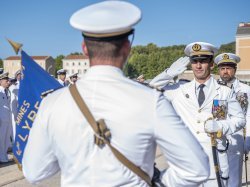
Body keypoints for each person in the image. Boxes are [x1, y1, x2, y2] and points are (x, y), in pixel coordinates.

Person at [22, 1, 210, 186]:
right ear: (127, 47)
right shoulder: (150, 100)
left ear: (84, 49)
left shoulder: (53, 102)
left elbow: (34, 172)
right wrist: (158, 183)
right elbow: (196, 169)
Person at [150, 42, 246, 186]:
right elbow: (149, 90)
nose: (198, 65)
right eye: (194, 61)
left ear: (211, 64)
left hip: (215, 164)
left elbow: (240, 119)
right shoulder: (178, 90)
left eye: (203, 61)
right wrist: (168, 73)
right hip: (187, 165)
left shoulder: (224, 91)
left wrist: (221, 126)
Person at [214, 53, 250, 187]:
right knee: (218, 176)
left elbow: (249, 115)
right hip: (218, 136)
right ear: (219, 70)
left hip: (237, 137)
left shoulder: (245, 90)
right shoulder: (214, 89)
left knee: (234, 179)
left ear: (235, 69)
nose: (225, 71)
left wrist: (248, 140)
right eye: (222, 68)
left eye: (228, 68)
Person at [0, 72, 12, 163]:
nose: (8, 82)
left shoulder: (7, 91)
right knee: (1, 138)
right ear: (0, 81)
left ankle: (4, 155)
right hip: (1, 119)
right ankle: (1, 156)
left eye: (8, 80)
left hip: (7, 118)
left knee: (6, 138)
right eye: (6, 80)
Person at [9, 69, 22, 141]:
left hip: (22, 106)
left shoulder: (25, 84)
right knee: (14, 125)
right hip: (16, 107)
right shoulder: (14, 86)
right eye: (18, 75)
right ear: (16, 76)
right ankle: (15, 140)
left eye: (21, 75)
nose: (20, 76)